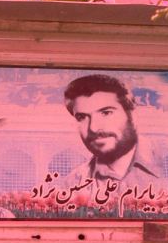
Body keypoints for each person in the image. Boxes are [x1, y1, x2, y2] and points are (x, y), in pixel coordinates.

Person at [60, 75, 159, 206]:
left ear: (133, 116)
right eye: (82, 117)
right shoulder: (73, 184)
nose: (93, 128)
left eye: (106, 113)